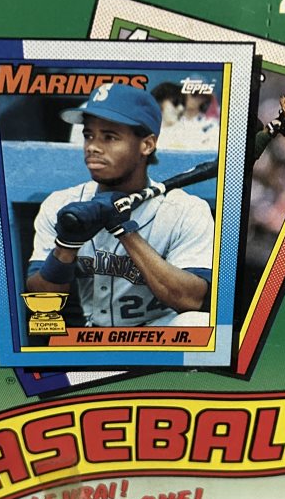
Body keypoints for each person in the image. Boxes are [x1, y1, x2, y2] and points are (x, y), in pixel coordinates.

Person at [26, 83, 214, 328]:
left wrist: (125, 230)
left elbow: (193, 299)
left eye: (109, 137)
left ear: (147, 145)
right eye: (88, 135)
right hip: (90, 337)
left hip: (159, 336)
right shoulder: (60, 204)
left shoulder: (186, 211)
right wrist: (65, 247)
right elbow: (42, 300)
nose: (92, 146)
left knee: (197, 322)